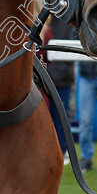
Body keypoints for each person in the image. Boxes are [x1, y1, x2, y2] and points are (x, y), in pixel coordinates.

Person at [37, 17, 76, 165]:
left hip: (60, 79)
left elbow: (67, 51)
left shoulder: (65, 22)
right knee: (48, 118)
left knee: (61, 117)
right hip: (45, 80)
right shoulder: (45, 25)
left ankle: (62, 151)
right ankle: (49, 151)